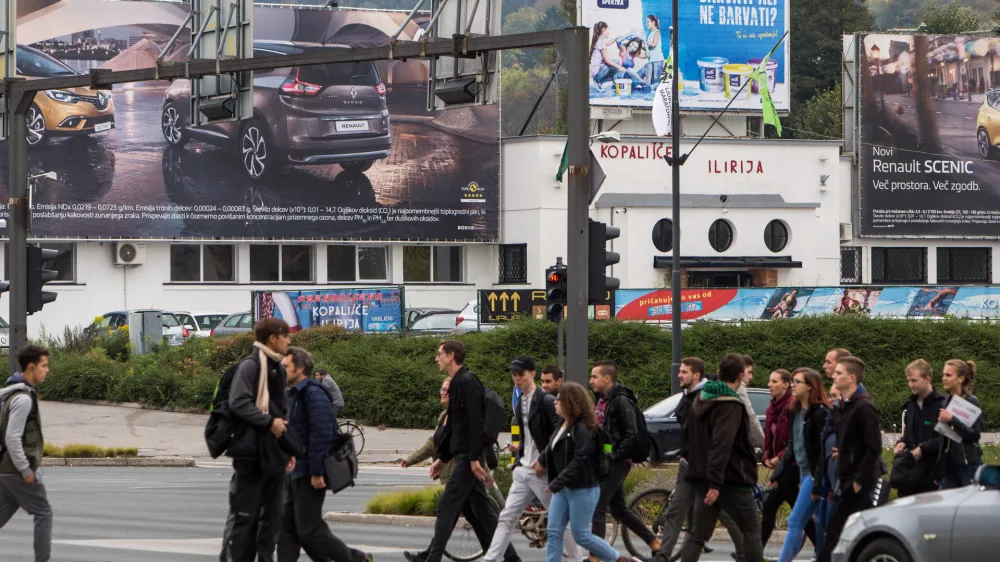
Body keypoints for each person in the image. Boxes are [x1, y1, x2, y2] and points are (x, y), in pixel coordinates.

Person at [406, 341, 511, 562]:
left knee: (446, 507)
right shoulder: (458, 382)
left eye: (439, 354)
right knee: (480, 512)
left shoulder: (466, 381)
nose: (436, 358)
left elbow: (474, 423)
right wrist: (442, 458)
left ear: (451, 356)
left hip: (467, 457)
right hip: (464, 455)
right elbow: (454, 425)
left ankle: (431, 559)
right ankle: (511, 558)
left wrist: (473, 458)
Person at [278, 347, 372, 562]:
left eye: (286, 367)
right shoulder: (293, 395)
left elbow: (321, 435)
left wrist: (317, 472)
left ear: (300, 368)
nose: (281, 371)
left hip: (308, 474)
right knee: (287, 530)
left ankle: (356, 559)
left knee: (309, 531)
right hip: (293, 472)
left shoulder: (313, 393)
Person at [484, 357, 577, 562]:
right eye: (514, 375)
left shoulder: (545, 400)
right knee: (507, 517)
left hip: (542, 471)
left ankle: (576, 559)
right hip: (524, 471)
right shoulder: (521, 402)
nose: (517, 379)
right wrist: (518, 461)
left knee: (560, 519)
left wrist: (544, 460)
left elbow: (561, 430)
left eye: (521, 374)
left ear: (532, 374)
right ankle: (490, 559)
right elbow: (526, 437)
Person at [652, 357, 745, 562]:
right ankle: (662, 556)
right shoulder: (686, 396)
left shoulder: (707, 397)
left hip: (706, 467)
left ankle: (745, 552)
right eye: (680, 371)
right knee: (675, 511)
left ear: (696, 375)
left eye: (684, 372)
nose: (679, 375)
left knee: (724, 514)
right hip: (687, 466)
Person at [677, 353, 763, 562]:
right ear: (740, 375)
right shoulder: (730, 405)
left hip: (701, 477)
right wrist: (715, 483)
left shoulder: (701, 398)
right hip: (730, 479)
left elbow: (689, 435)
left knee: (697, 535)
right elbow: (721, 444)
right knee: (752, 530)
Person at [221, 318, 293, 562]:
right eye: (285, 336)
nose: (288, 341)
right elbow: (238, 402)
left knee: (273, 517)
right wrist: (268, 422)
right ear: (272, 338)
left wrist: (289, 447)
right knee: (244, 517)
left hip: (274, 453)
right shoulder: (250, 366)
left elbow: (283, 412)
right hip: (250, 454)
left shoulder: (278, 369)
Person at [539, 382, 628, 562]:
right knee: (554, 531)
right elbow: (550, 448)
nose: (555, 402)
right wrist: (539, 461)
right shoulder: (562, 425)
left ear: (569, 402)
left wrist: (557, 482)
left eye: (558, 399)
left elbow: (580, 459)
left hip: (583, 488)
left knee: (581, 535)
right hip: (564, 489)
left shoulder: (584, 428)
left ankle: (618, 559)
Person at [589, 361, 660, 558]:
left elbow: (632, 435)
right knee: (619, 510)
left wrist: (614, 456)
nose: (591, 381)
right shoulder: (602, 400)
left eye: (594, 376)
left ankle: (594, 557)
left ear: (607, 378)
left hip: (618, 462)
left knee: (598, 506)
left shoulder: (621, 401)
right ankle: (654, 543)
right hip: (606, 461)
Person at [816, 357, 881, 562]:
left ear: (851, 378)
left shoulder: (864, 407)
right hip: (846, 477)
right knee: (857, 532)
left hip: (859, 480)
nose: (834, 376)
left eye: (839, 373)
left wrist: (859, 480)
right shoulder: (842, 407)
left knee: (835, 530)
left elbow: (874, 447)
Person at [0, 345, 53, 562]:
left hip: (4, 469)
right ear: (30, 367)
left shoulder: (7, 394)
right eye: (44, 365)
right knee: (43, 513)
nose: (47, 370)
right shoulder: (22, 399)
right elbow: (12, 437)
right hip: (15, 470)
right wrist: (25, 470)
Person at [773, 368, 831, 562]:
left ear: (810, 387)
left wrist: (816, 482)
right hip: (803, 473)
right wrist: (777, 474)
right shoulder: (795, 411)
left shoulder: (820, 413)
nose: (792, 385)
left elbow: (823, 452)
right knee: (820, 524)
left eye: (797, 382)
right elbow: (792, 446)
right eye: (792, 381)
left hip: (815, 475)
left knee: (795, 521)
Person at [761, 370, 816, 550]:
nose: (769, 385)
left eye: (774, 381)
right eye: (769, 381)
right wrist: (766, 456)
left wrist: (779, 459)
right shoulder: (771, 408)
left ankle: (752, 553)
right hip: (782, 464)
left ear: (785, 384)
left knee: (770, 506)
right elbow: (768, 437)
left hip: (792, 464)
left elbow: (794, 441)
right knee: (800, 514)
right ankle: (820, 546)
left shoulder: (792, 407)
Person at [893, 359, 945, 497]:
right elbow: (909, 433)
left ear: (927, 379)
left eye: (914, 380)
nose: (911, 384)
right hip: (911, 471)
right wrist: (902, 442)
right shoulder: (910, 405)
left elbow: (945, 439)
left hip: (932, 472)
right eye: (909, 380)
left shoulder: (941, 405)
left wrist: (922, 448)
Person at [935, 359, 982, 490]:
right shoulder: (944, 401)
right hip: (949, 466)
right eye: (943, 375)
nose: (944, 378)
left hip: (968, 464)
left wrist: (952, 419)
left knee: (969, 508)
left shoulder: (972, 402)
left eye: (948, 375)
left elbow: (974, 435)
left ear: (960, 378)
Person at [737, 356, 765, 452]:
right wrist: (764, 443)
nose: (751, 377)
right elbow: (751, 417)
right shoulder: (739, 389)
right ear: (740, 373)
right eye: (749, 372)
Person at [590, 22, 626, 86]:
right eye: (608, 30)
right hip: (598, 74)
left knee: (615, 69)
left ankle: (599, 82)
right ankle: (611, 84)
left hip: (596, 73)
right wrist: (619, 67)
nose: (608, 32)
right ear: (603, 30)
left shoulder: (600, 40)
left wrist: (617, 37)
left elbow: (608, 43)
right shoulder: (600, 41)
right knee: (618, 60)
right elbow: (606, 60)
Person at [639, 15, 664, 85]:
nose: (647, 24)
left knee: (656, 83)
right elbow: (648, 48)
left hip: (657, 61)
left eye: (648, 22)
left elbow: (654, 44)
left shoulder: (657, 32)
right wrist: (640, 44)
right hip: (652, 61)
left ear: (653, 22)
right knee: (652, 83)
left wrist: (645, 40)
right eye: (646, 22)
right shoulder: (650, 34)